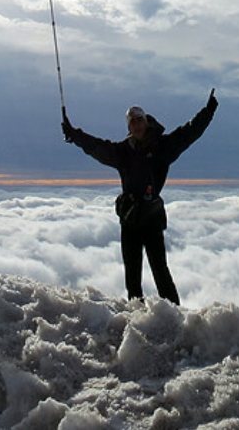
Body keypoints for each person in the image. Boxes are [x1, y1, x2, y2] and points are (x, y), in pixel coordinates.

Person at [61, 91, 218, 305]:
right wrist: (73, 134)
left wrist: (208, 112)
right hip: (130, 220)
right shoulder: (123, 152)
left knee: (160, 271)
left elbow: (189, 132)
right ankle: (136, 317)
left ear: (146, 121)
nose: (136, 125)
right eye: (132, 122)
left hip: (152, 218)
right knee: (132, 276)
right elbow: (96, 147)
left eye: (139, 120)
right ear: (129, 127)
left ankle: (174, 316)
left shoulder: (163, 147)